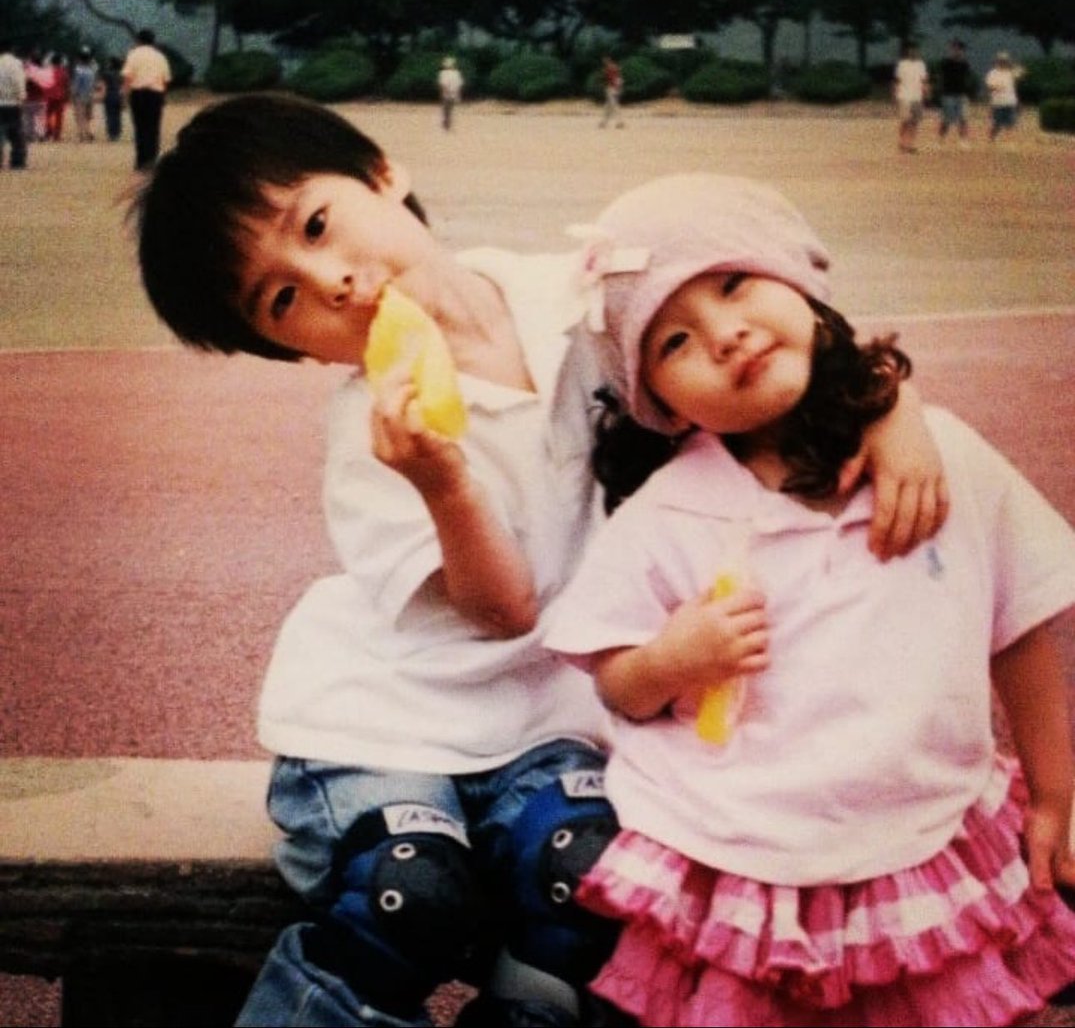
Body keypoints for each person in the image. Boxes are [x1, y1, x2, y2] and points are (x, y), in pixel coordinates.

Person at [131, 95, 947, 1028]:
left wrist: (890, 410)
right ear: (288, 350)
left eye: (316, 224)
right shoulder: (371, 442)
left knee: (589, 888)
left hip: (555, 717)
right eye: (282, 300)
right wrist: (440, 479)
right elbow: (504, 609)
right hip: (387, 719)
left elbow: (769, 336)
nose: (333, 281)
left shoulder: (587, 300)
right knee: (412, 893)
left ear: (384, 173)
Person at [544, 173, 1075, 1027]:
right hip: (736, 857)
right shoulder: (669, 515)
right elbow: (616, 685)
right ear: (662, 405)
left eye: (732, 283)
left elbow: (1017, 630)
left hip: (923, 837)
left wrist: (1056, 796)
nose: (726, 335)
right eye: (674, 341)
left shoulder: (943, 461)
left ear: (799, 284)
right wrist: (671, 661)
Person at [122, 28, 172, 170]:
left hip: (138, 94)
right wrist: (163, 96)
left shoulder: (133, 55)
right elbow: (166, 79)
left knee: (140, 128)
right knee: (153, 128)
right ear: (153, 41)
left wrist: (125, 95)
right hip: (156, 95)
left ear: (138, 40)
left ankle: (141, 161)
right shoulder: (160, 56)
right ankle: (152, 161)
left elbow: (128, 77)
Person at [892, 41, 929, 154]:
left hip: (917, 96)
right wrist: (896, 94)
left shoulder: (921, 65)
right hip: (904, 95)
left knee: (915, 121)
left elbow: (924, 80)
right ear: (908, 51)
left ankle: (910, 144)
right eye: (911, 50)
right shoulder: (902, 64)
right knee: (905, 120)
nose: (913, 52)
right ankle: (902, 142)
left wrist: (926, 92)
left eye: (915, 50)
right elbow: (897, 80)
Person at [937, 38, 973, 147]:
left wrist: (967, 91)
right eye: (955, 48)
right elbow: (941, 77)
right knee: (947, 119)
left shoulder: (965, 64)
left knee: (963, 118)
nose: (957, 51)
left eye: (959, 49)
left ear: (962, 50)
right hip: (948, 94)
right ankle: (941, 139)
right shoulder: (946, 62)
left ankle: (963, 140)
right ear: (951, 49)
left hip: (961, 94)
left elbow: (967, 78)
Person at [985, 51, 1025, 144]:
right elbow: (990, 86)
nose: (1003, 63)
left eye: (1004, 61)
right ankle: (992, 138)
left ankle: (1009, 142)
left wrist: (1012, 65)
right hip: (998, 102)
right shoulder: (993, 73)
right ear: (997, 62)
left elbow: (1021, 72)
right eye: (1001, 61)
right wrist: (997, 88)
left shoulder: (1010, 72)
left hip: (1010, 102)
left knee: (1011, 123)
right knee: (997, 123)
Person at [0, 41, 28, 170]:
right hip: (12, 103)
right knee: (16, 134)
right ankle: (17, 161)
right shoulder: (15, 63)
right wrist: (21, 97)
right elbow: (19, 82)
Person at [70, 47, 98, 142]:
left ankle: (81, 134)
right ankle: (89, 132)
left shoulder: (78, 70)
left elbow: (76, 85)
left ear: (79, 58)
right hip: (90, 95)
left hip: (80, 96)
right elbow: (94, 84)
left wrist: (72, 95)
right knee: (88, 116)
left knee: (80, 116)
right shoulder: (92, 71)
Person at [43, 52, 69, 142]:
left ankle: (48, 131)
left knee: (47, 115)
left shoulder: (47, 71)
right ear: (60, 62)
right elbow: (66, 85)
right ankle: (56, 135)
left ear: (51, 62)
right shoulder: (64, 72)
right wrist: (67, 97)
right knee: (59, 117)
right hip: (60, 96)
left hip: (48, 96)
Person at [100, 56, 125, 142]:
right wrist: (123, 98)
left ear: (111, 64)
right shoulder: (121, 74)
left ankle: (111, 134)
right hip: (118, 95)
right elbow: (122, 87)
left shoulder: (106, 73)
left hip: (109, 95)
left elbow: (104, 86)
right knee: (117, 115)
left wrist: (102, 97)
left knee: (110, 115)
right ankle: (117, 133)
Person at [437, 56, 464, 131]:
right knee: (450, 109)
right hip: (454, 93)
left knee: (446, 110)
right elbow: (459, 85)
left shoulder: (443, 73)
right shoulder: (457, 73)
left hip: (447, 93)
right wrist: (458, 94)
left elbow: (442, 85)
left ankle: (446, 124)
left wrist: (443, 93)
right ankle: (448, 124)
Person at [599, 58, 624, 129]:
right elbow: (619, 79)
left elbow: (609, 79)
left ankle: (619, 122)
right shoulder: (616, 68)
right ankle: (604, 123)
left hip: (611, 88)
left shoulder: (608, 70)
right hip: (614, 88)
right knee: (608, 107)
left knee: (614, 106)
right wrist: (619, 88)